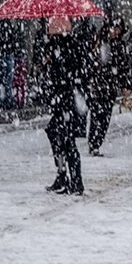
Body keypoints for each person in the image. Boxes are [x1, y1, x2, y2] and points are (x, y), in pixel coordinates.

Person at [44, 16, 87, 195]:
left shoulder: (68, 46)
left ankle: (74, 180)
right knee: (57, 135)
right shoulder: (56, 46)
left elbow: (69, 74)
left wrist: (54, 64)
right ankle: (64, 175)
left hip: (67, 102)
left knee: (67, 141)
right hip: (62, 101)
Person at [86, 16, 132, 156]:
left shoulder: (119, 46)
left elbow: (123, 67)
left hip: (110, 87)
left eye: (118, 29)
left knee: (105, 117)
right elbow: (91, 61)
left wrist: (125, 85)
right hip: (98, 86)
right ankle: (93, 143)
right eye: (114, 29)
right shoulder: (100, 42)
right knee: (96, 116)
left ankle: (97, 142)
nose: (115, 32)